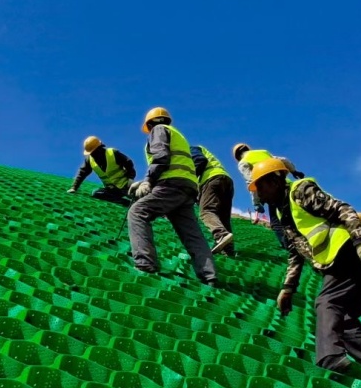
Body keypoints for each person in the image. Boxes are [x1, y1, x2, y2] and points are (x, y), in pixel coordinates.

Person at [248, 158, 361, 384]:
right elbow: (295, 251)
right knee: (343, 323)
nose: (259, 194)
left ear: (275, 181)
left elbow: (343, 209)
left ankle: (330, 357)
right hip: (335, 261)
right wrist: (288, 288)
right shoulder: (281, 213)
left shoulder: (300, 191)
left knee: (327, 302)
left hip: (347, 251)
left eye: (261, 187)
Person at [126, 107, 217, 286]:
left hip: (171, 184)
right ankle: (209, 275)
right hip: (187, 187)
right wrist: (145, 181)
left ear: (150, 124)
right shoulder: (177, 134)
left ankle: (145, 263)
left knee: (137, 212)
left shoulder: (158, 130)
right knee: (191, 233)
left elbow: (162, 157)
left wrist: (148, 181)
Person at [232, 143, 304, 246]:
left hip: (271, 191)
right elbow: (283, 160)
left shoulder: (243, 162)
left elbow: (251, 181)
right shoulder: (263, 152)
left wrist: (256, 203)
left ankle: (291, 247)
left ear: (237, 157)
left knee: (276, 223)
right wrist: (294, 171)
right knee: (296, 214)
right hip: (286, 185)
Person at [190, 145, 235, 255]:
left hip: (211, 178)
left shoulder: (190, 148)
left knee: (206, 211)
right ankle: (228, 249)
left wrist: (190, 180)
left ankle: (221, 234)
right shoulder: (202, 150)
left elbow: (200, 160)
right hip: (226, 180)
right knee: (223, 218)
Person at [68, 136, 135, 202]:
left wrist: (130, 178)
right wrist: (74, 187)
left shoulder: (112, 153)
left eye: (94, 152)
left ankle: (132, 199)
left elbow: (129, 163)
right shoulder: (90, 160)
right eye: (91, 153)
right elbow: (82, 173)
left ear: (100, 148)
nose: (93, 155)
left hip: (126, 186)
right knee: (96, 193)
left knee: (138, 196)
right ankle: (124, 202)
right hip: (111, 190)